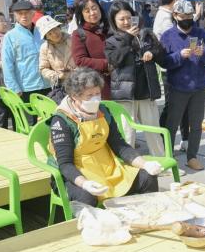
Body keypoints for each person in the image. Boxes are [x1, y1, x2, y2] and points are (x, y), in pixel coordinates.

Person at [49, 67, 165, 207]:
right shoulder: (62, 121)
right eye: (89, 95)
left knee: (147, 177)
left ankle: (150, 218)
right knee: (87, 197)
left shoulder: (103, 111)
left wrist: (144, 164)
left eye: (97, 93)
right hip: (74, 175)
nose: (95, 99)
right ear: (75, 96)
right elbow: (65, 164)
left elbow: (120, 146)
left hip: (107, 168)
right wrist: (85, 183)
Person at [160, 0, 205, 170]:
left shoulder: (200, 32)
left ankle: (192, 156)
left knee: (196, 123)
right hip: (178, 86)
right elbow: (164, 61)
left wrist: (204, 53)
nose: (187, 19)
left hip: (199, 86)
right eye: (183, 15)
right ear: (175, 15)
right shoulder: (168, 35)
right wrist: (179, 55)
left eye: (190, 15)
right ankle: (168, 157)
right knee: (172, 124)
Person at [105, 0, 165, 157]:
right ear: (114, 21)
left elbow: (160, 51)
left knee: (153, 129)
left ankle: (161, 162)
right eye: (121, 19)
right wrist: (127, 37)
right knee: (127, 132)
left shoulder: (145, 34)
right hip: (125, 93)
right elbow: (114, 60)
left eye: (128, 17)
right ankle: (128, 165)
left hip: (146, 89)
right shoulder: (111, 40)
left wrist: (152, 52)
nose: (126, 22)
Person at [153, 0, 189, 152]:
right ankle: (164, 143)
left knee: (181, 106)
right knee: (172, 107)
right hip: (172, 68)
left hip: (177, 67)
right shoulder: (165, 18)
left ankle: (184, 139)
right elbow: (176, 42)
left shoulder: (165, 15)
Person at [2, 0, 50, 122]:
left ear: (33, 13)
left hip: (47, 84)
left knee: (49, 122)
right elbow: (7, 65)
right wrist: (14, 89)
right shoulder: (10, 36)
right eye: (20, 13)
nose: (24, 16)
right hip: (25, 88)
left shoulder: (42, 32)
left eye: (27, 12)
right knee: (29, 124)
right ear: (15, 15)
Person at [71, 0, 111, 99]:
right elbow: (80, 60)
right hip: (97, 86)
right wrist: (106, 64)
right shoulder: (78, 34)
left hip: (119, 83)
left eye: (94, 8)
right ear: (81, 14)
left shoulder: (111, 29)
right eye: (87, 11)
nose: (92, 13)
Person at [37, 15, 76, 98]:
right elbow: (43, 69)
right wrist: (58, 75)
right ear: (46, 36)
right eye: (49, 33)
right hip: (63, 87)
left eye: (55, 29)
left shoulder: (73, 39)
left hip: (81, 80)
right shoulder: (45, 48)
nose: (54, 34)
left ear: (59, 27)